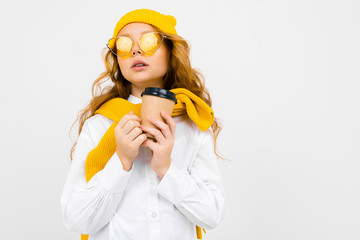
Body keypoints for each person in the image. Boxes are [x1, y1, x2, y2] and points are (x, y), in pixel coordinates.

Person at [60, 8, 225, 240]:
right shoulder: (99, 126)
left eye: (149, 41)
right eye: (124, 45)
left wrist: (166, 169)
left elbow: (212, 215)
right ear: (117, 58)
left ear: (170, 50)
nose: (136, 49)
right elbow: (76, 218)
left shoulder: (193, 124)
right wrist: (122, 161)